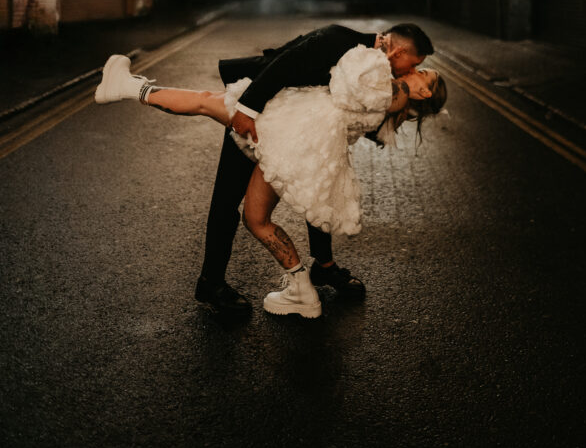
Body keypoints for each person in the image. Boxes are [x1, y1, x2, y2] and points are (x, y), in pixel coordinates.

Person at [95, 38, 447, 320]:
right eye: (420, 67)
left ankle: (129, 87)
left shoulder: (393, 94)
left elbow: (347, 82)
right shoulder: (394, 109)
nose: (416, 70)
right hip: (300, 138)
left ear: (426, 92)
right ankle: (301, 289)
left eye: (423, 73)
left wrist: (376, 49)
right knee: (256, 218)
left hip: (288, 123)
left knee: (206, 102)